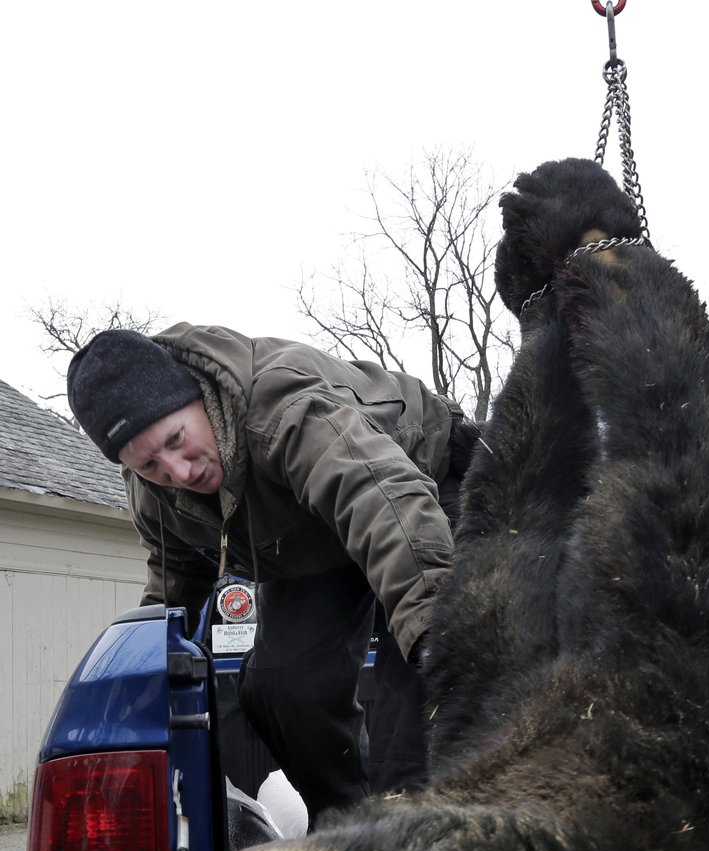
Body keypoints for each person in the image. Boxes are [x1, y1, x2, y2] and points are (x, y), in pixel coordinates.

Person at [66, 324, 479, 816]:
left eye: (177, 440)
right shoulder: (157, 494)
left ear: (199, 398)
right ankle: (346, 823)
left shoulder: (281, 407)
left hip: (420, 487)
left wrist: (435, 629)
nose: (179, 473)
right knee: (282, 685)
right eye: (150, 465)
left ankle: (419, 825)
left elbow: (377, 499)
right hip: (310, 540)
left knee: (417, 694)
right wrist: (142, 676)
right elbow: (175, 577)